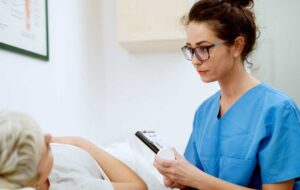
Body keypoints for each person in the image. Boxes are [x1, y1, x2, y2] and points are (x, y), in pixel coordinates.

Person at [153, 0, 300, 189]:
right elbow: (196, 179)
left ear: (237, 46)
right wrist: (179, 177)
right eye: (191, 49)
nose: (195, 60)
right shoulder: (204, 112)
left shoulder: (278, 110)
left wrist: (194, 178)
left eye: (204, 48)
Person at [0, 112, 148, 190]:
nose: (48, 137)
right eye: (45, 146)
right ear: (35, 171)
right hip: (140, 168)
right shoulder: (74, 185)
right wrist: (80, 142)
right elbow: (139, 187)